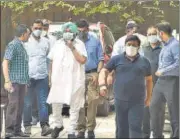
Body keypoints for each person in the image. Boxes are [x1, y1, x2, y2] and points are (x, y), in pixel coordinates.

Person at [98, 35, 153, 138]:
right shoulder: (117, 59)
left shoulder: (145, 62)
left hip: (137, 101)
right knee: (122, 128)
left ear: (138, 47)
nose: (131, 47)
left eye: (134, 45)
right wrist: (102, 85)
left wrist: (149, 97)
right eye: (129, 44)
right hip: (120, 100)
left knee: (135, 127)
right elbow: (104, 71)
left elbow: (149, 80)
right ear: (125, 46)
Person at [47, 22, 87, 139]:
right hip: (58, 80)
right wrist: (50, 78)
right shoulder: (57, 44)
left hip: (75, 80)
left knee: (74, 106)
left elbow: (82, 60)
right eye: (66, 32)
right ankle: (58, 125)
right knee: (56, 103)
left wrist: (72, 47)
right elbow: (52, 61)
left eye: (70, 32)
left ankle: (71, 131)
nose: (68, 34)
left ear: (75, 33)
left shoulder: (80, 44)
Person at [150, 22, 179, 138]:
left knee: (174, 111)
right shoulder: (165, 46)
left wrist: (163, 71)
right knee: (154, 107)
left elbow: (178, 64)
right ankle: (157, 135)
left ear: (161, 33)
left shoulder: (175, 45)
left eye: (157, 33)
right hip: (160, 82)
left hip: (172, 81)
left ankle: (176, 136)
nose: (156, 36)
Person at [23, 19, 52, 136]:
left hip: (42, 77)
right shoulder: (26, 42)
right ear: (31, 28)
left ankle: (44, 126)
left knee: (43, 102)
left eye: (40, 28)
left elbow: (49, 59)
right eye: (35, 28)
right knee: (27, 103)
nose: (38, 30)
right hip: (28, 77)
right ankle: (27, 127)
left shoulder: (46, 42)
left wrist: (50, 76)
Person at [76, 19, 104, 139]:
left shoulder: (95, 41)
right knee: (79, 102)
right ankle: (81, 129)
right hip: (77, 75)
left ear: (88, 29)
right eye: (79, 30)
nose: (82, 32)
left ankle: (91, 129)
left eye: (84, 30)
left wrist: (97, 73)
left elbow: (101, 59)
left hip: (92, 74)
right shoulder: (74, 43)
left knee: (92, 101)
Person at [2, 24, 30, 138]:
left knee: (20, 106)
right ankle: (9, 131)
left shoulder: (22, 45)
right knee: (13, 105)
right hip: (14, 81)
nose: (29, 36)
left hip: (22, 82)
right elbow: (5, 62)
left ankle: (17, 130)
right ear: (23, 34)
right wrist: (7, 81)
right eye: (28, 34)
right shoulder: (13, 45)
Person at [142, 26, 165, 138]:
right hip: (145, 85)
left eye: (153, 33)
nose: (151, 36)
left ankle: (158, 135)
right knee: (145, 112)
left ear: (158, 34)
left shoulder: (163, 48)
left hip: (159, 85)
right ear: (147, 35)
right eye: (149, 34)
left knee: (158, 113)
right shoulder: (143, 48)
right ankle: (145, 135)